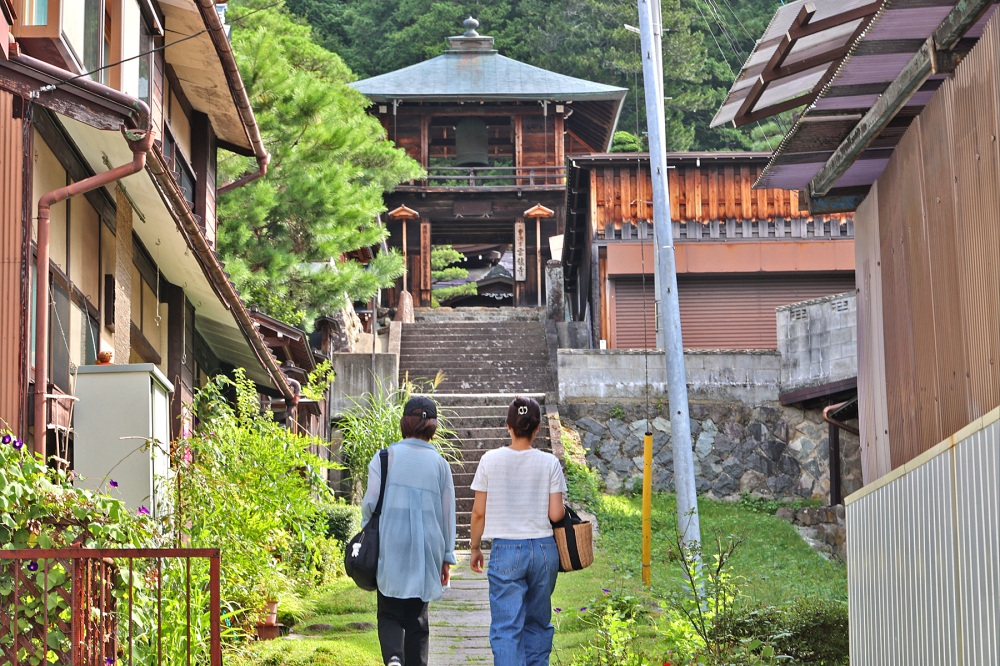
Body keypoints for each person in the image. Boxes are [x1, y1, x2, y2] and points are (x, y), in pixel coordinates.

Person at [469, 396, 567, 665]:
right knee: (537, 623)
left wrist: (475, 547)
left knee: (506, 629)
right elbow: (555, 514)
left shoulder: (490, 460)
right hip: (544, 550)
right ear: (537, 429)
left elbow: (478, 512)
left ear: (508, 426)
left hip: (507, 552)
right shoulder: (549, 463)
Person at [361, 396, 457, 666]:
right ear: (433, 426)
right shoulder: (440, 465)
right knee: (417, 616)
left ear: (404, 422)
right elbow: (447, 514)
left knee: (389, 611)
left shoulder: (384, 457)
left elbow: (369, 504)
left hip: (390, 542)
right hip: (426, 548)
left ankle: (393, 657)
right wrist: (447, 556)